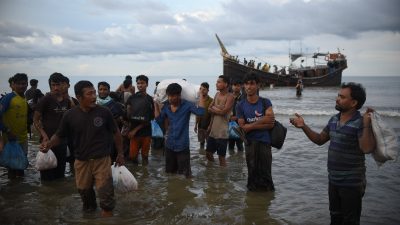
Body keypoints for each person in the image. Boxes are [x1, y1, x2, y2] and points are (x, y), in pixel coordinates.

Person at [290, 82, 376, 225]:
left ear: (354, 102)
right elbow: (319, 139)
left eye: (342, 97)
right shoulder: (334, 119)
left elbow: (366, 148)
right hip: (334, 181)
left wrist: (366, 123)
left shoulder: (360, 122)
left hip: (352, 184)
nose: (337, 99)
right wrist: (303, 126)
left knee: (350, 221)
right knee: (335, 218)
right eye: (338, 95)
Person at [40, 80, 125, 217]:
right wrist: (48, 144)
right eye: (89, 94)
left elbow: (116, 133)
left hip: (102, 160)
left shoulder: (104, 112)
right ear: (79, 97)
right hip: (81, 162)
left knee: (106, 198)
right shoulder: (69, 115)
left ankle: (107, 218)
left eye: (94, 93)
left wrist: (120, 154)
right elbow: (59, 135)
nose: (94, 97)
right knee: (86, 199)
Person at [154, 83, 205, 178]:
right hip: (169, 145)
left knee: (185, 175)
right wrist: (155, 104)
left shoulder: (187, 105)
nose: (170, 98)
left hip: (182, 146)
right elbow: (159, 120)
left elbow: (201, 112)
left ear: (179, 95)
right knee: (169, 173)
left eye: (173, 96)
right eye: (169, 96)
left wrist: (201, 94)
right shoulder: (166, 106)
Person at [236, 72, 275, 191]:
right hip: (250, 143)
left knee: (266, 173)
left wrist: (251, 126)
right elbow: (243, 126)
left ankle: (267, 200)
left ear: (258, 85)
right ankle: (253, 203)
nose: (249, 87)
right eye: (246, 84)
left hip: (264, 142)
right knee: (252, 172)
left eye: (252, 84)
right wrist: (262, 121)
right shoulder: (240, 105)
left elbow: (271, 123)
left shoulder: (265, 102)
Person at [33, 73, 71, 181]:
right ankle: (47, 196)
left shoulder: (66, 100)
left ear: (64, 85)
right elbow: (36, 119)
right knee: (46, 173)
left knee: (60, 174)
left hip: (62, 141)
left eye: (58, 85)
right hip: (47, 141)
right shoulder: (45, 99)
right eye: (53, 85)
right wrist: (43, 135)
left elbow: (70, 118)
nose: (55, 88)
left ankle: (58, 196)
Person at [0, 73, 29, 179]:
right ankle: (12, 191)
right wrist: (7, 130)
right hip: (10, 139)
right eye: (19, 84)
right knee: (12, 168)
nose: (22, 86)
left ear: (27, 84)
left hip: (23, 138)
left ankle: (20, 191)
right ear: (14, 84)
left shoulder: (24, 98)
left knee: (22, 166)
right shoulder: (8, 98)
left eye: (24, 84)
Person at [206, 75, 234, 166]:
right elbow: (209, 109)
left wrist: (216, 108)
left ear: (225, 84)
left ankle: (223, 177)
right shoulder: (217, 94)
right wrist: (210, 125)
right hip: (213, 130)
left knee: (221, 157)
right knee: (208, 154)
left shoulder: (230, 96)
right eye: (217, 82)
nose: (216, 84)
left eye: (219, 82)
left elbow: (224, 112)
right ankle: (213, 171)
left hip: (222, 132)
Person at [125, 75, 154, 165]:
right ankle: (137, 177)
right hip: (134, 134)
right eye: (138, 83)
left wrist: (134, 130)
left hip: (146, 132)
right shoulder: (132, 98)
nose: (140, 85)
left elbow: (151, 117)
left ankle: (145, 177)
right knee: (133, 157)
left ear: (147, 84)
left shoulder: (150, 99)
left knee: (145, 156)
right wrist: (129, 129)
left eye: (142, 83)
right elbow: (128, 115)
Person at [194, 82, 213, 149]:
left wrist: (210, 126)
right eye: (200, 89)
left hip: (208, 126)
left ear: (208, 90)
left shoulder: (211, 100)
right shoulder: (198, 100)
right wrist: (195, 125)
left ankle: (208, 158)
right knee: (201, 143)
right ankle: (202, 158)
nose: (202, 91)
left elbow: (213, 115)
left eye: (204, 89)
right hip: (200, 126)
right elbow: (197, 114)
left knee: (209, 144)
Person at [228, 79, 244, 152]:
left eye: (238, 85)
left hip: (239, 124)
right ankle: (232, 161)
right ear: (231, 86)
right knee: (230, 145)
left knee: (239, 144)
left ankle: (240, 161)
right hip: (229, 123)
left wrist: (237, 117)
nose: (236, 87)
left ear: (241, 87)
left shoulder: (243, 98)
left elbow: (246, 111)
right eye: (234, 85)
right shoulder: (229, 96)